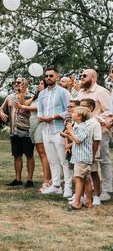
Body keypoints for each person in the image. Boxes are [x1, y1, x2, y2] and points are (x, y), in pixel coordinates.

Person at [76, 69, 112, 201]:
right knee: (86, 161)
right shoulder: (80, 92)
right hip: (83, 134)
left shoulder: (102, 91)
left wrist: (93, 120)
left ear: (94, 77)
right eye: (81, 75)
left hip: (100, 132)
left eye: (84, 76)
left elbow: (109, 112)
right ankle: (88, 190)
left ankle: (107, 190)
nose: (82, 77)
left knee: (103, 160)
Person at [37, 68, 71, 197]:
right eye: (46, 76)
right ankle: (56, 186)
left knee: (64, 160)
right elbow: (40, 109)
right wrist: (41, 116)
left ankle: (68, 186)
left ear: (56, 77)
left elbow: (68, 111)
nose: (48, 77)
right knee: (52, 160)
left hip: (59, 130)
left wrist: (52, 117)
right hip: (46, 130)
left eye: (51, 75)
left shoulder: (63, 92)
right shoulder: (42, 94)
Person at [0, 78, 35, 187]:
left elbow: (25, 105)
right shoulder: (10, 96)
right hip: (14, 131)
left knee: (29, 155)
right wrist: (1, 113)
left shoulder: (31, 96)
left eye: (19, 82)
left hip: (27, 130)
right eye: (16, 82)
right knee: (17, 155)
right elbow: (1, 108)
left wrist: (23, 93)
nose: (16, 84)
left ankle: (29, 180)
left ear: (25, 84)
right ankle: (18, 179)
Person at [65, 107, 93, 210]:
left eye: (73, 113)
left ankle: (77, 202)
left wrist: (71, 131)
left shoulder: (82, 127)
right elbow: (76, 139)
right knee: (86, 180)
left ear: (79, 117)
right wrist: (68, 133)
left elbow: (78, 140)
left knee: (79, 179)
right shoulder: (79, 126)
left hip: (82, 158)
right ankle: (88, 202)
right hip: (81, 157)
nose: (71, 114)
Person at [79, 98, 103, 205]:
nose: (80, 108)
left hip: (91, 153)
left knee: (93, 173)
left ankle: (97, 196)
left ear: (90, 108)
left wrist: (92, 155)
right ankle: (85, 195)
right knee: (83, 175)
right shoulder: (79, 122)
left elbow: (96, 140)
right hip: (80, 153)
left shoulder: (95, 123)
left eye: (83, 106)